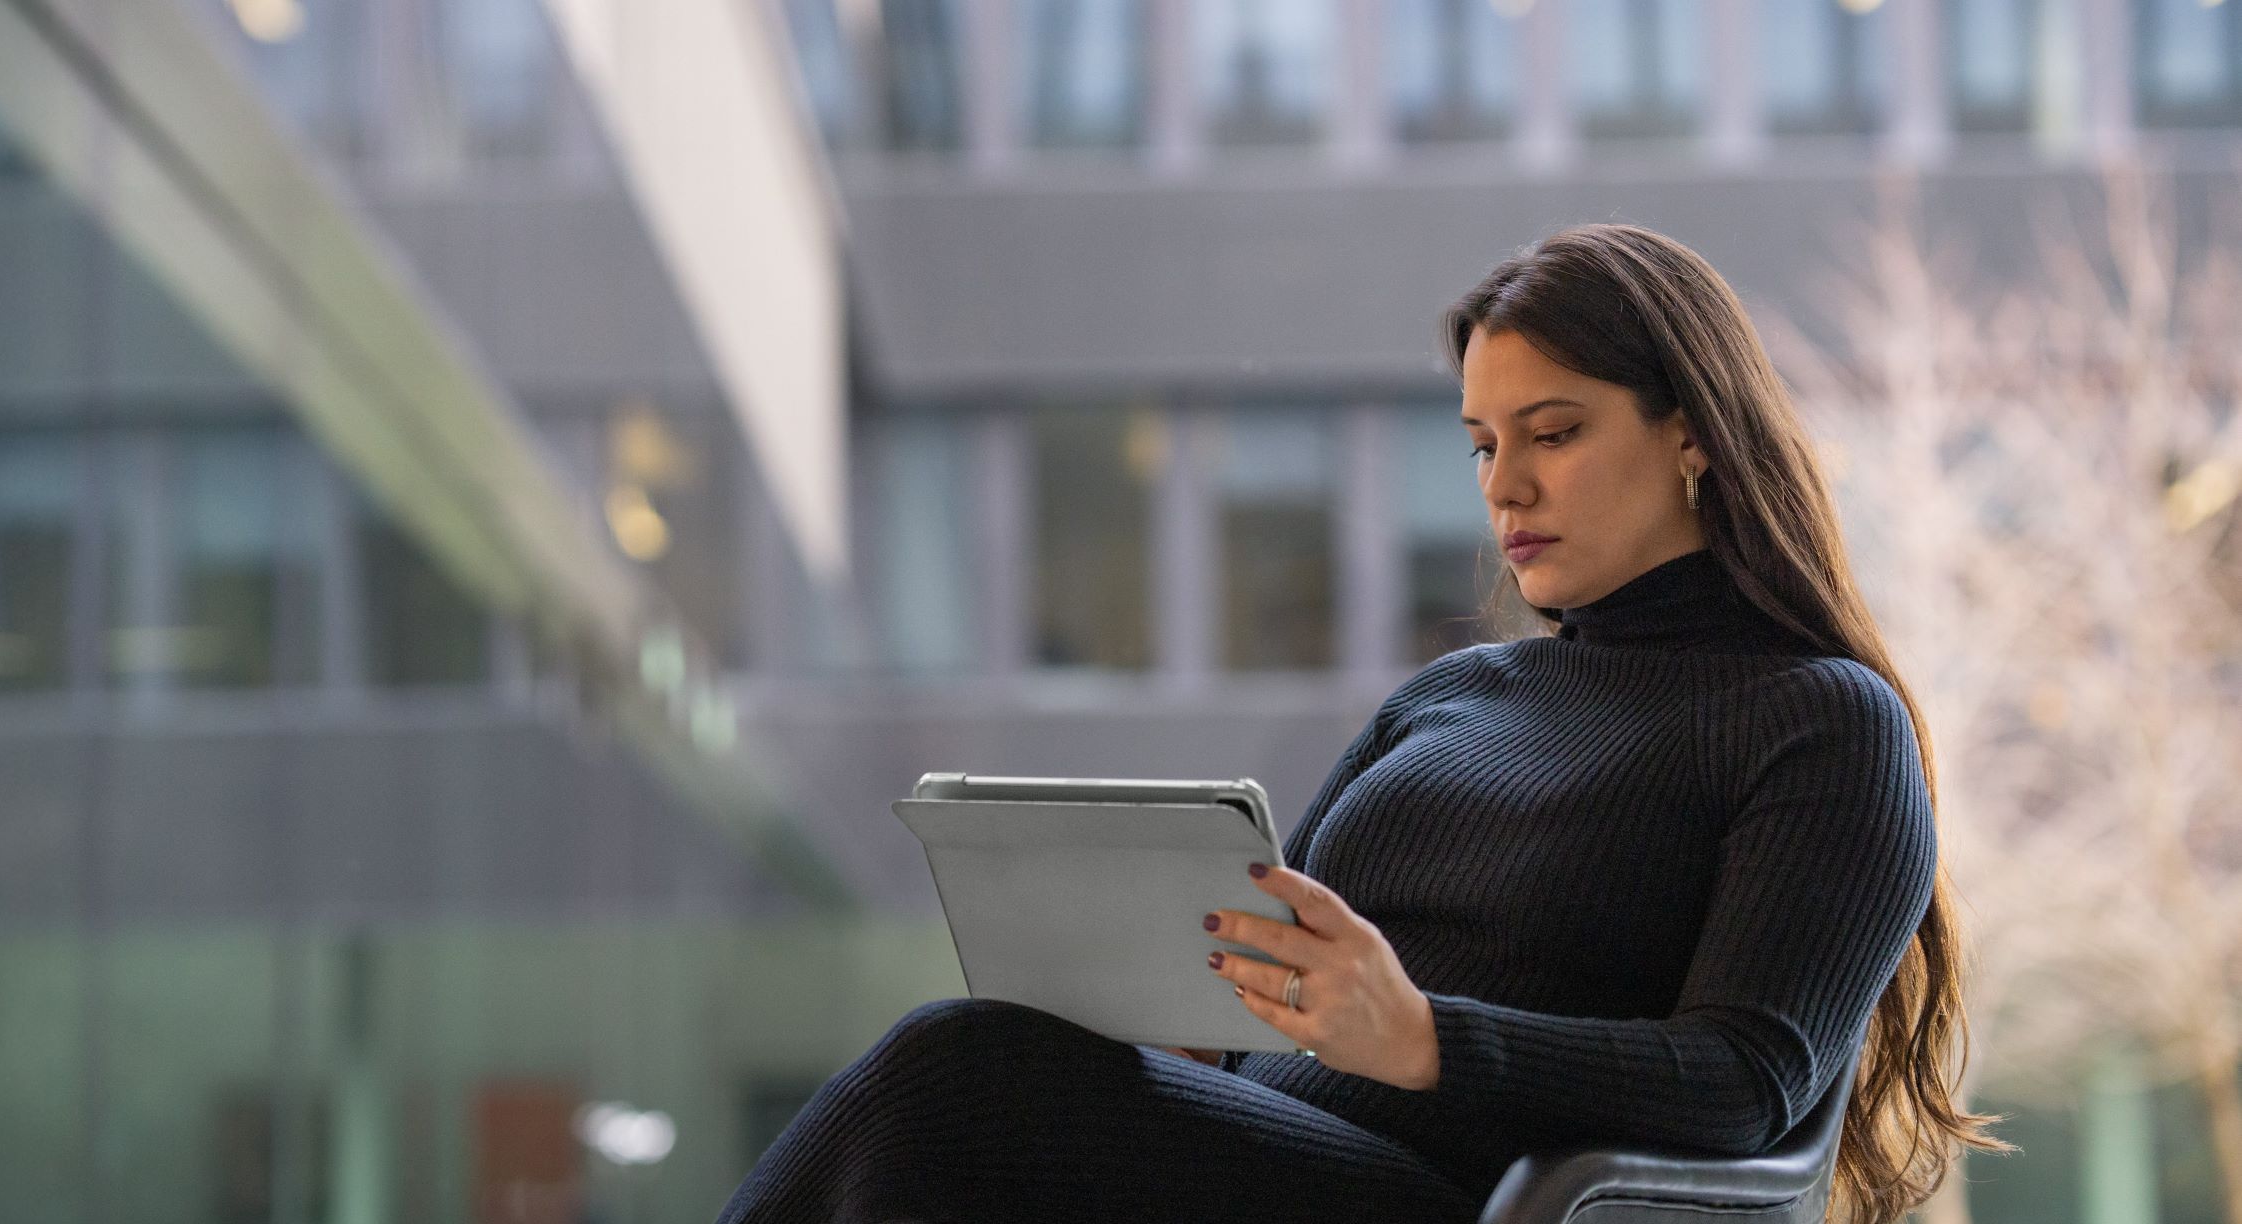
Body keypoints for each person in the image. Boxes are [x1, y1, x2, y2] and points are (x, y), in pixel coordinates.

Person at [716, 223, 2011, 1224]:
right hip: (1255, 1157)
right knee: (976, 1093)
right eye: (1481, 443)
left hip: (1465, 1198)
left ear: (1693, 436)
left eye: (1554, 432)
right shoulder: (1450, 696)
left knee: (959, 1081)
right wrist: (1187, 1018)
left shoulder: (1825, 728)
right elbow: (1278, 978)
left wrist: (1426, 1041)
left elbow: (1744, 1085)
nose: (1507, 484)